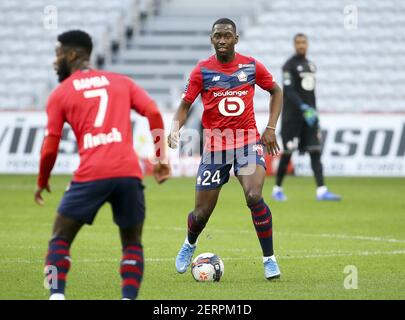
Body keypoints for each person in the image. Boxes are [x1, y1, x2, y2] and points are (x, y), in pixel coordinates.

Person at [34, 30, 170, 300]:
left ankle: (56, 295)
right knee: (132, 243)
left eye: (58, 54)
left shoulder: (60, 94)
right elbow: (153, 111)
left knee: (59, 239)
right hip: (129, 173)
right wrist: (160, 157)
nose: (54, 61)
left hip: (91, 173)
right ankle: (128, 297)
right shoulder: (121, 82)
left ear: (72, 55)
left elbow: (50, 145)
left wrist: (42, 180)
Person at [168, 18, 283, 280]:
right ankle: (189, 243)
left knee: (254, 196)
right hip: (216, 147)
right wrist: (175, 127)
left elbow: (276, 91)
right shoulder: (202, 71)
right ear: (211, 39)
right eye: (217, 36)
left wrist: (271, 127)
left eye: (227, 36)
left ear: (236, 39)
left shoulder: (251, 66)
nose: (222, 40)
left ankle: (270, 260)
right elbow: (185, 104)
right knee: (201, 214)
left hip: (247, 143)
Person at [272, 33, 341, 201]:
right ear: (294, 45)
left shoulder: (311, 66)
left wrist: (314, 113)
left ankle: (322, 190)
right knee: (288, 153)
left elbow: (312, 94)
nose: (301, 45)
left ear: (307, 44)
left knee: (315, 152)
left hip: (309, 118)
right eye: (298, 43)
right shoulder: (288, 66)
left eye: (304, 42)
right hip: (292, 119)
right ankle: (277, 189)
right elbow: (288, 90)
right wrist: (302, 107)